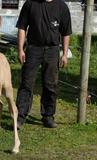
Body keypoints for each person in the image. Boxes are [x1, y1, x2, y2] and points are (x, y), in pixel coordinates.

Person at [16, 0, 72, 128]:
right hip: (33, 49)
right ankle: (20, 116)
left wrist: (64, 53)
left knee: (51, 85)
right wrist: (20, 49)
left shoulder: (61, 7)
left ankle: (48, 116)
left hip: (52, 50)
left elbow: (66, 32)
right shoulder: (30, 4)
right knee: (26, 83)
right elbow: (22, 27)